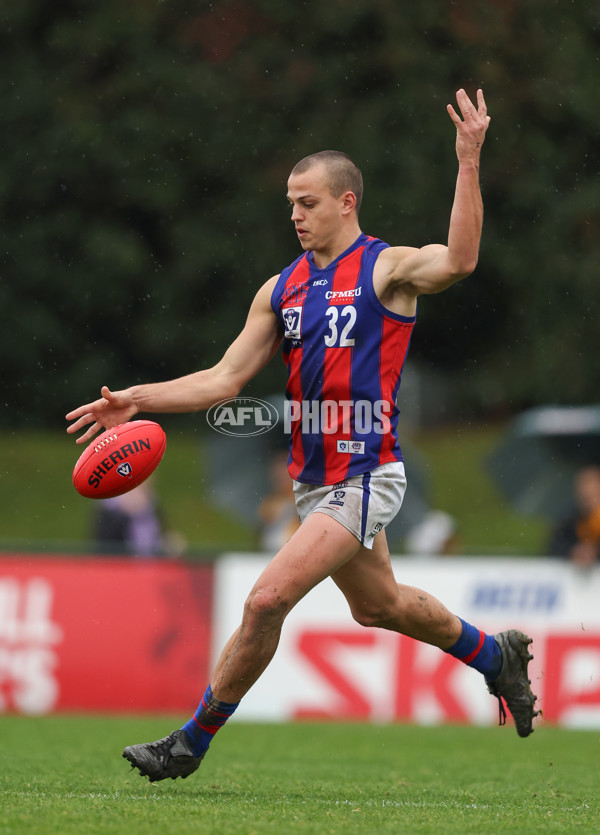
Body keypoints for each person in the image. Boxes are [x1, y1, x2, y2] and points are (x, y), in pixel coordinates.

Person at [66, 89, 538, 783]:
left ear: (347, 202)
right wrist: (139, 398)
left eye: (308, 202)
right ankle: (495, 656)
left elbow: (461, 260)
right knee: (381, 605)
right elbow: (224, 379)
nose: (295, 214)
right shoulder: (280, 288)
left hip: (366, 474)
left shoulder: (387, 268)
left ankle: (190, 741)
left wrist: (468, 162)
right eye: (290, 202)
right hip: (314, 483)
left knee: (265, 598)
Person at [548, 465, 600, 567]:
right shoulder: (571, 518)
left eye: (595, 495)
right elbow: (555, 546)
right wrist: (573, 552)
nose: (590, 502)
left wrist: (595, 551)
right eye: (585, 496)